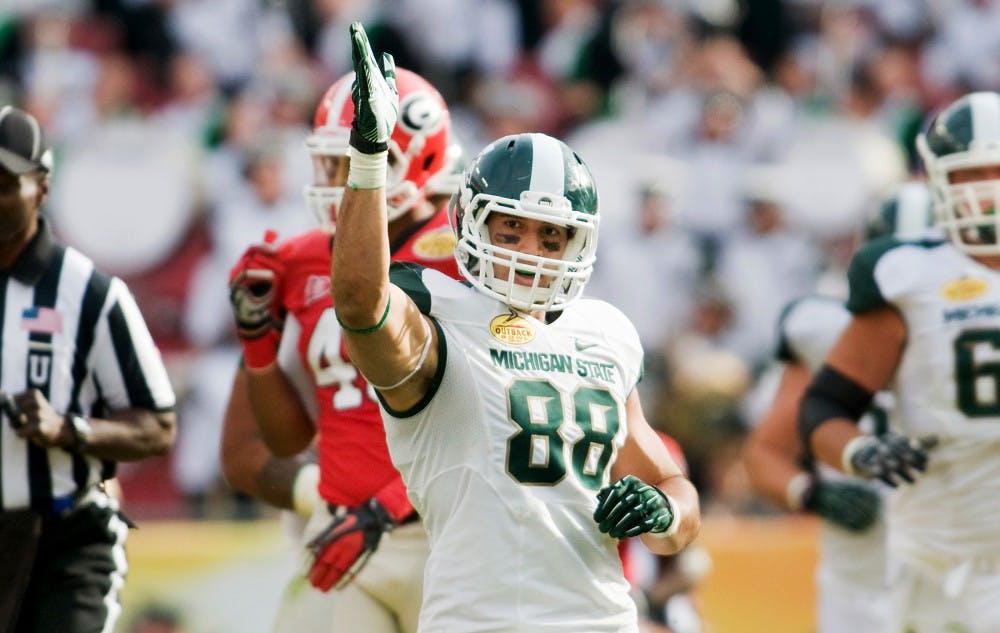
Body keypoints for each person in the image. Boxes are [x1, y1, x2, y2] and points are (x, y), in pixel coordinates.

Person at [329, 23, 701, 632]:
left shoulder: (605, 332)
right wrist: (369, 159)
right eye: (511, 230)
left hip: (599, 619)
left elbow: (670, 486)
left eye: (551, 235)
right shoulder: (438, 312)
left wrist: (662, 510)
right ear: (471, 226)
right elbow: (359, 305)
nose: (530, 249)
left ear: (578, 243)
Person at [221, 64, 459, 633]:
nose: (335, 183)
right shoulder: (297, 259)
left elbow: (494, 420)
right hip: (342, 529)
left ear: (418, 161)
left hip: (451, 532)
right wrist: (256, 341)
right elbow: (255, 449)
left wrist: (383, 507)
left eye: (350, 164)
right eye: (328, 163)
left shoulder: (468, 258)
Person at [800, 91, 1000, 633]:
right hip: (938, 556)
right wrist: (862, 450)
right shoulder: (908, 276)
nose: (986, 192)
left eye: (997, 172)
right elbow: (824, 407)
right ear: (937, 182)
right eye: (970, 176)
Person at [0, 105, 177, 633]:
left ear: (43, 188)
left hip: (64, 538)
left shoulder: (90, 293)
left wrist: (67, 429)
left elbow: (157, 425)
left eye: (5, 182)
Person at [745, 182, 934, 633]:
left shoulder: (974, 325)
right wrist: (813, 494)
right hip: (862, 585)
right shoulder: (822, 328)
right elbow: (764, 454)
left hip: (958, 563)